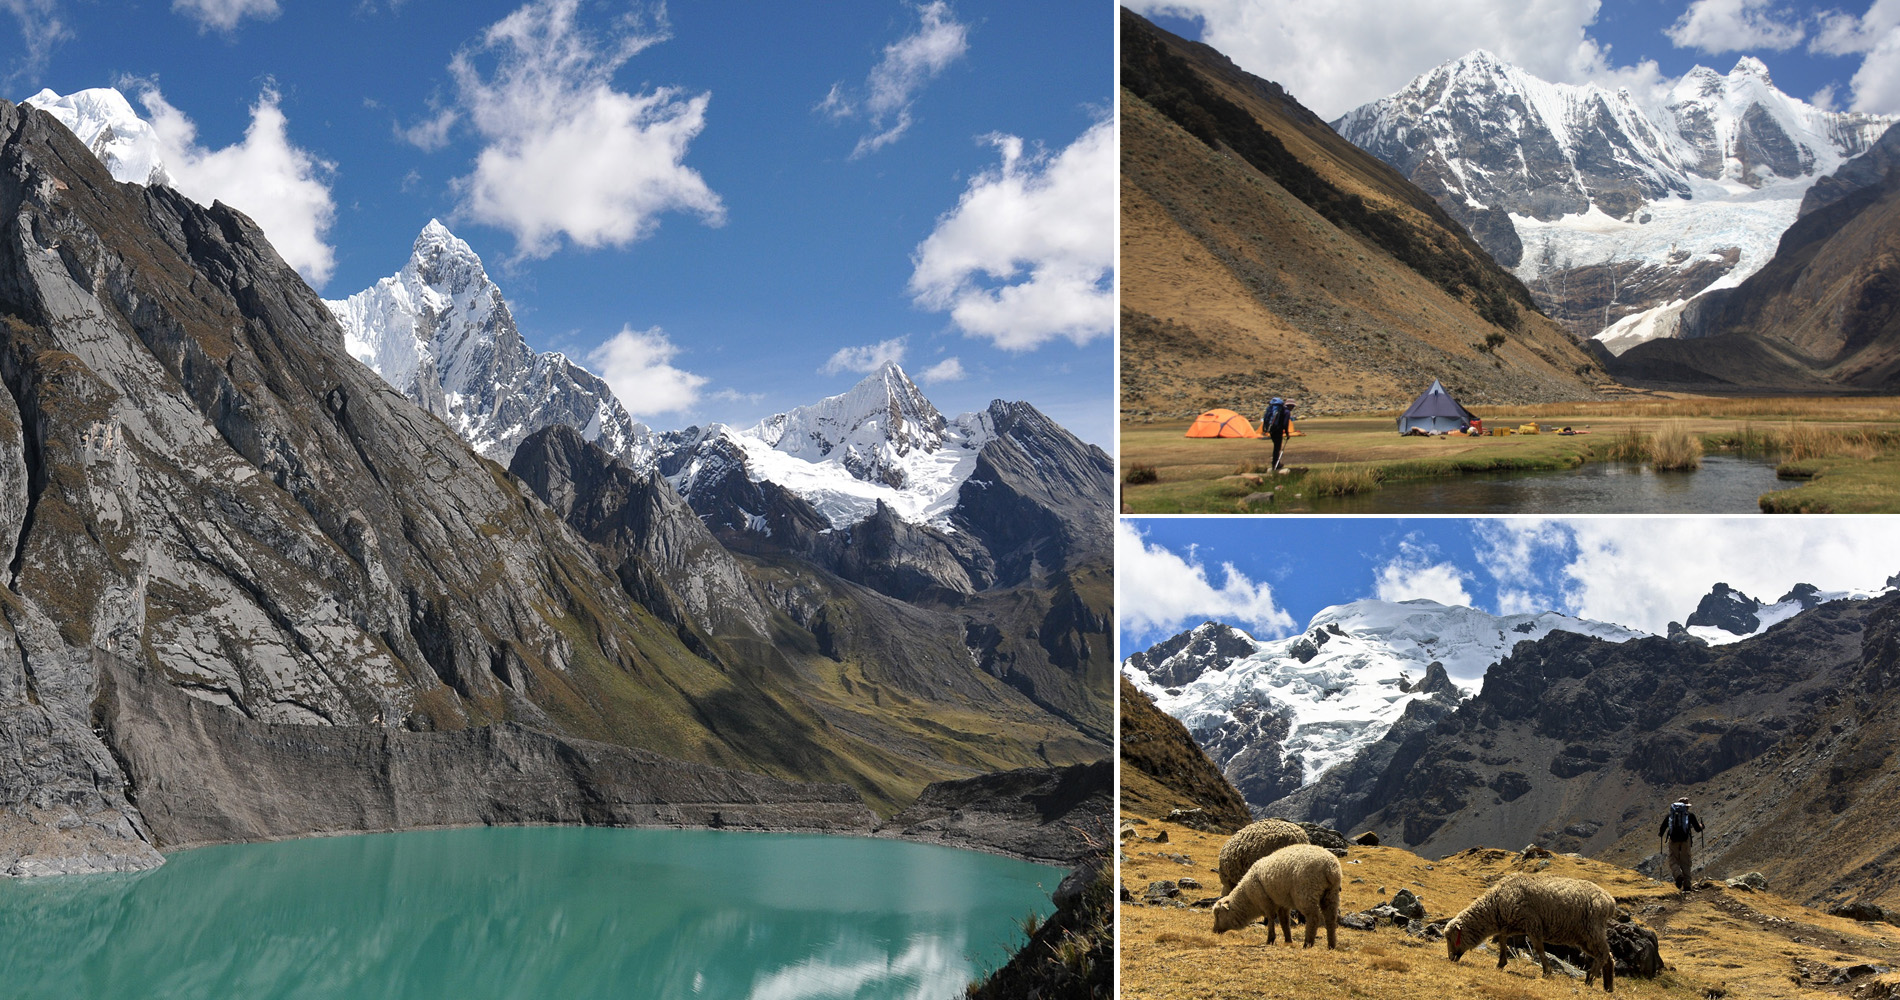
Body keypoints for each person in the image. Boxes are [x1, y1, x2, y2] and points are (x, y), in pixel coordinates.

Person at [1658, 797, 1704, 891]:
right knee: (1686, 861)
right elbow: (1697, 829)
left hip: (1673, 840)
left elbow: (1662, 829)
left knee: (1673, 859)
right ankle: (1687, 885)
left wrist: (1661, 834)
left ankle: (1678, 875)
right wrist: (1702, 826)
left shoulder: (1670, 815)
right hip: (1685, 840)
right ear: (1686, 806)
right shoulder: (1690, 815)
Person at [1262, 398, 1294, 471]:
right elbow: (1285, 424)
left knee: (1276, 447)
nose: (1293, 408)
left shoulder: (1280, 410)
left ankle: (1276, 463)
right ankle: (1275, 464)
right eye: (1292, 406)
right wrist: (1287, 433)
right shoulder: (1286, 412)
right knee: (1277, 448)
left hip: (1272, 430)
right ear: (1290, 406)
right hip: (1278, 430)